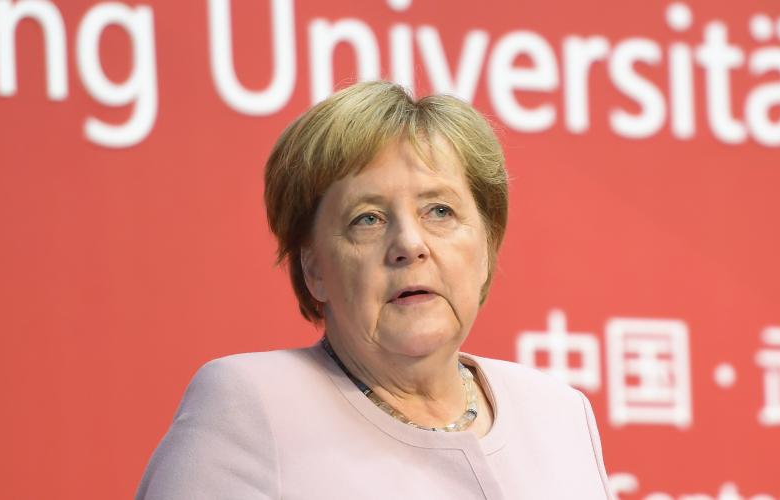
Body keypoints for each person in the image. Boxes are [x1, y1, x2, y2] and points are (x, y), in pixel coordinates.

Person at [136, 81, 612, 499]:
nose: (408, 243)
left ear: (486, 244)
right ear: (314, 267)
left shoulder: (559, 412)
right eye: (368, 219)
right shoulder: (251, 404)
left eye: (439, 211)